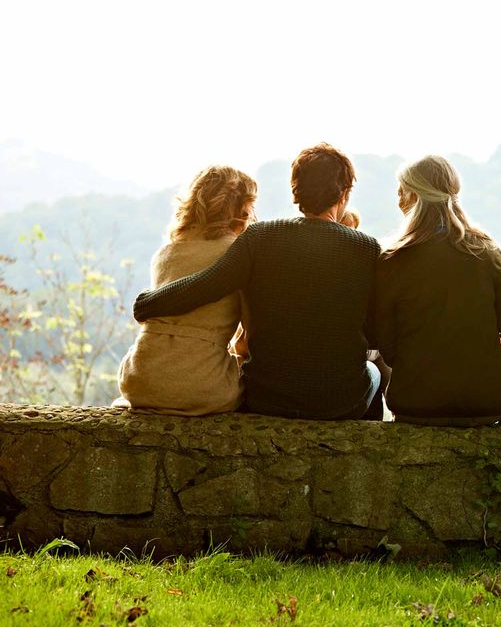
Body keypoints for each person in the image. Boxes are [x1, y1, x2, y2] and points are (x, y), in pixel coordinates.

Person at [132, 143, 385, 420]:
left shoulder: (259, 238)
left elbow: (204, 286)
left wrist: (146, 303)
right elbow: (375, 332)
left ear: (295, 190)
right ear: (345, 193)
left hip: (265, 398)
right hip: (338, 402)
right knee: (372, 371)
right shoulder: (367, 249)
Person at [372, 155, 501, 426]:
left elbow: (384, 343)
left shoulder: (392, 259)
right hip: (488, 402)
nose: (398, 200)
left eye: (400, 192)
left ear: (412, 196)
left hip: (415, 402)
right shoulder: (487, 252)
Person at [116, 166, 257, 415]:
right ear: (241, 209)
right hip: (202, 387)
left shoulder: (165, 254)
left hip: (139, 379)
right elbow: (247, 339)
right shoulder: (238, 255)